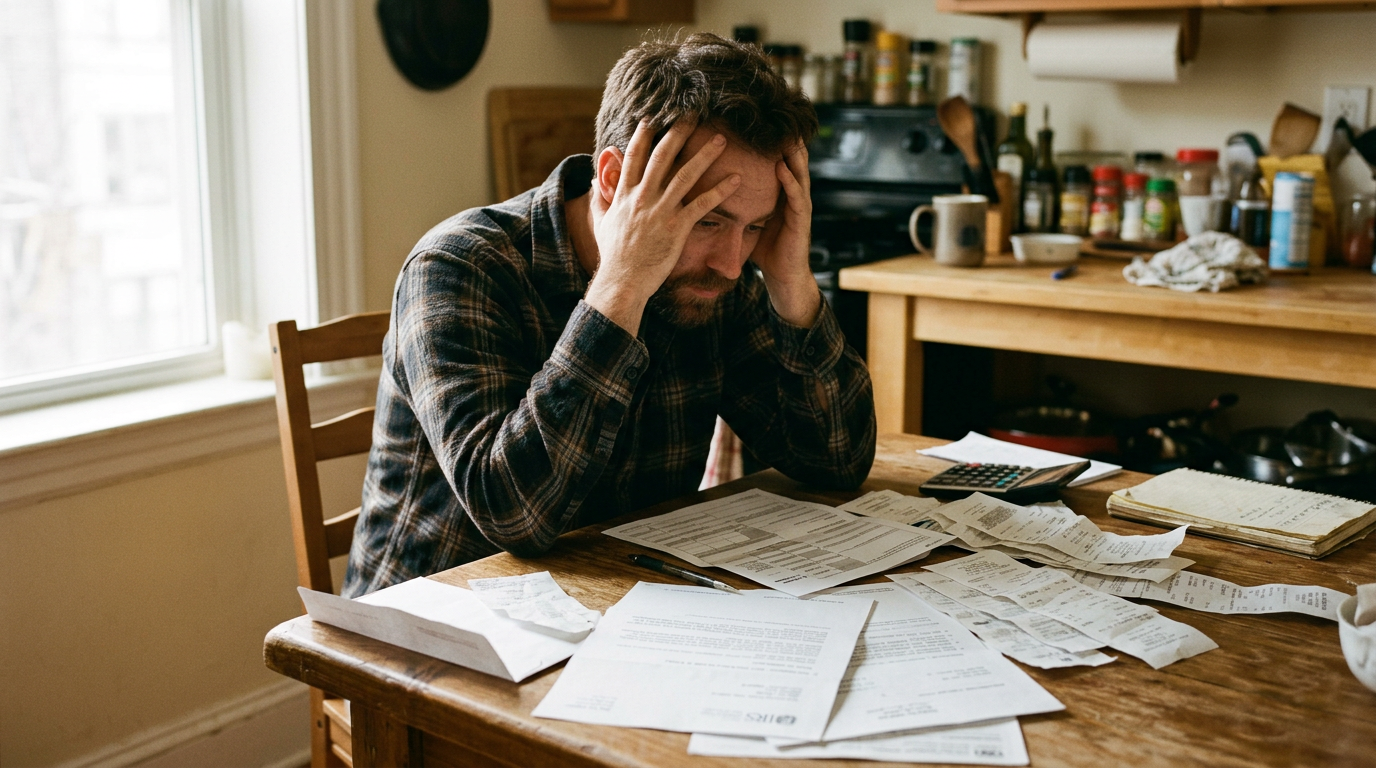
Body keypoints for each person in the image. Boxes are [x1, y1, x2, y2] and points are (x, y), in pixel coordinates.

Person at [343, 33, 875, 597]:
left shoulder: (716, 278)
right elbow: (515, 515)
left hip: (621, 603)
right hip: (431, 625)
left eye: (756, 226)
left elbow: (837, 461)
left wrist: (792, 281)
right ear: (616, 179)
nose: (731, 261)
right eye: (707, 221)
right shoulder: (459, 265)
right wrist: (623, 285)